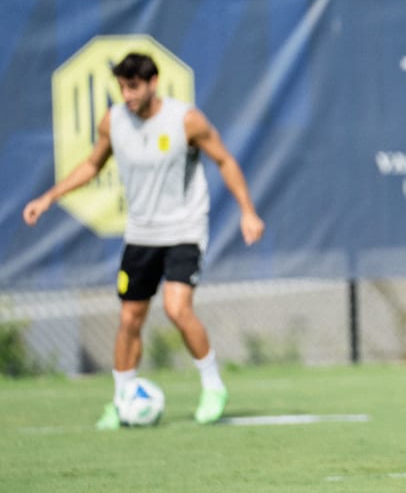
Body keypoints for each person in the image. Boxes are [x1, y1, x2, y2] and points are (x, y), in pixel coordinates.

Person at [23, 52, 265, 429]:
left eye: (133, 87)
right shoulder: (113, 121)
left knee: (176, 308)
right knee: (129, 319)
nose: (127, 95)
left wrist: (247, 211)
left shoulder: (186, 120)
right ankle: (121, 400)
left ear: (153, 83)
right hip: (140, 234)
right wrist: (48, 197)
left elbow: (225, 161)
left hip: (184, 229)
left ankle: (213, 386)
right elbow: (92, 164)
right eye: (122, 87)